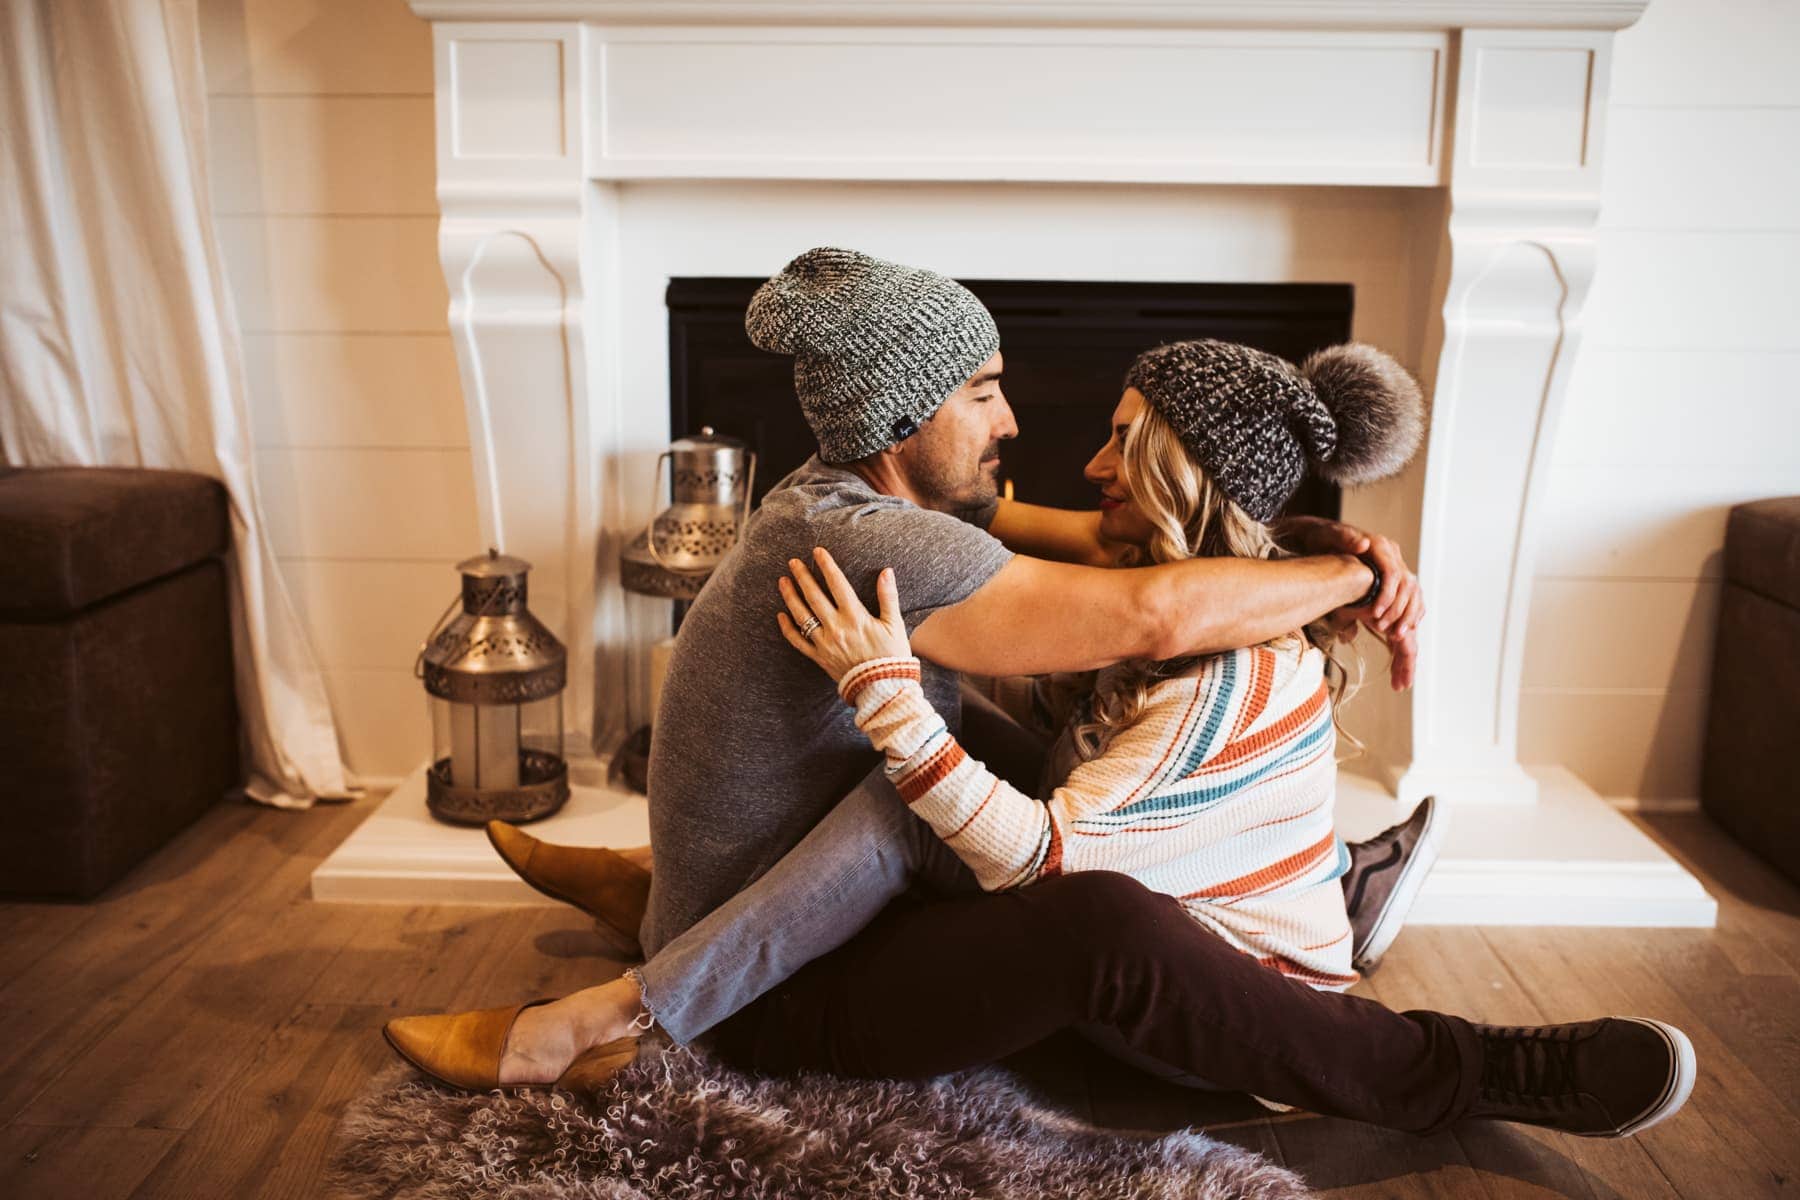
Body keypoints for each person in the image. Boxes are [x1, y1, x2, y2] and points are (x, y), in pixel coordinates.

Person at [383, 251, 1694, 1140]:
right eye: (984, 392)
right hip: (788, 991)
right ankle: (633, 1010)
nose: (1017, 424)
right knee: (1041, 858)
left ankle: (1314, 877)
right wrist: (1330, 577)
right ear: (903, 424)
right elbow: (1155, 604)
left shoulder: (833, 496)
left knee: (955, 735)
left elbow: (1122, 549)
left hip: (804, 909)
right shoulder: (899, 544)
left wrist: (1326, 552)